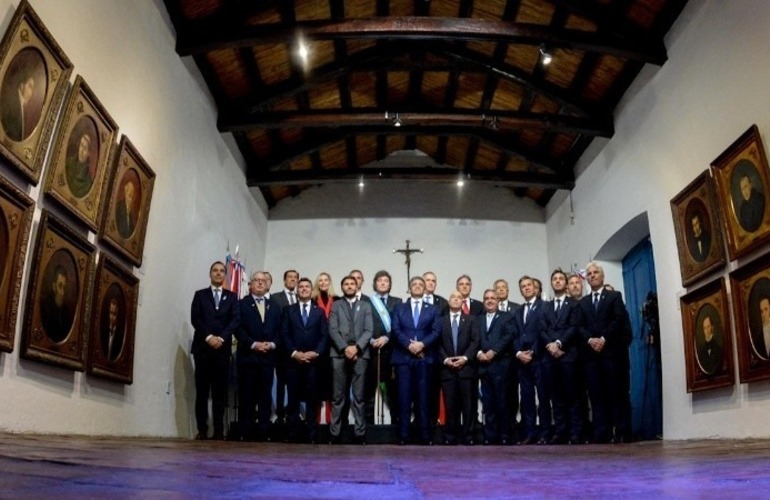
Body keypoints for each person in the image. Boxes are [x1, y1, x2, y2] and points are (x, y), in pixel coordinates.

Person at [576, 262, 631, 444]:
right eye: (589, 273)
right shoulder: (583, 303)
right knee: (597, 395)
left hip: (611, 355)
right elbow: (579, 326)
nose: (592, 276)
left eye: (595, 273)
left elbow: (618, 320)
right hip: (591, 358)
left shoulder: (614, 296)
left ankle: (621, 431)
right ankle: (601, 432)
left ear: (602, 275)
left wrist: (603, 339)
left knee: (616, 394)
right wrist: (590, 340)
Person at [190, 261, 239, 440]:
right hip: (203, 349)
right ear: (210, 274)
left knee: (220, 392)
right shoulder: (200, 295)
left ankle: (218, 430)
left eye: (221, 271)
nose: (218, 273)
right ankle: (202, 429)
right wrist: (209, 337)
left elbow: (235, 320)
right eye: (215, 271)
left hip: (222, 350)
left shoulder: (232, 297)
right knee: (202, 391)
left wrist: (222, 338)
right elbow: (195, 319)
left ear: (225, 275)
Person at [392, 276, 442, 445]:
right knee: (404, 398)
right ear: (409, 288)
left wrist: (422, 345)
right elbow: (395, 329)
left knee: (424, 398)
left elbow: (436, 331)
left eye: (421, 284)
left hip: (425, 358)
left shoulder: (433, 309)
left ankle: (425, 436)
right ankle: (404, 436)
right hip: (404, 359)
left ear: (425, 288)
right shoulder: (399, 307)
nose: (418, 287)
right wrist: (409, 345)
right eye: (414, 284)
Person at [234, 271, 282, 441]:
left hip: (267, 358)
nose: (260, 283)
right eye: (257, 280)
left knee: (264, 397)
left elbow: (280, 331)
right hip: (248, 357)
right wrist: (254, 344)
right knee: (246, 396)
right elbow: (238, 328)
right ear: (250, 285)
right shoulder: (240, 304)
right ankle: (245, 433)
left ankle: (263, 433)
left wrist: (272, 344)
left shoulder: (274, 306)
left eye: (263, 281)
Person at [280, 277, 328, 443]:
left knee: (312, 401)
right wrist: (294, 353)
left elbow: (324, 336)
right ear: (297, 290)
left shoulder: (319, 312)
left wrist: (315, 353)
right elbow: (284, 334)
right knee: (292, 400)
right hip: (293, 362)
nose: (304, 289)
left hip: (313, 363)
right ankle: (292, 434)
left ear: (311, 290)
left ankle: (311, 435)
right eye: (301, 287)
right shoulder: (288, 310)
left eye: (307, 286)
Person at [328, 275, 373, 444]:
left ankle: (360, 434)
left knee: (359, 397)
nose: (349, 286)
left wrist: (357, 348)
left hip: (360, 354)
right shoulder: (336, 305)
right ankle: (335, 434)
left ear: (357, 286)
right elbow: (332, 329)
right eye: (346, 284)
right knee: (338, 396)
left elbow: (369, 330)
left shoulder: (366, 305)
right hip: (339, 354)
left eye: (352, 283)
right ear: (342, 287)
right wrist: (345, 348)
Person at [540, 269, 583, 444]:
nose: (557, 281)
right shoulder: (546, 306)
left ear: (565, 283)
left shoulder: (574, 304)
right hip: (550, 357)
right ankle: (560, 432)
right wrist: (551, 345)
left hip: (568, 355)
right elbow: (542, 329)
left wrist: (558, 343)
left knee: (572, 396)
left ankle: (575, 433)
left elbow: (573, 327)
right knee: (556, 397)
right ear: (551, 283)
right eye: (554, 279)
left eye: (560, 279)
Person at [511, 276, 550, 445]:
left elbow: (544, 331)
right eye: (523, 286)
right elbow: (514, 335)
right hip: (522, 361)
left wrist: (532, 351)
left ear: (535, 288)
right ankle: (529, 433)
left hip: (539, 359)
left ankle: (545, 433)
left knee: (543, 398)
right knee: (526, 399)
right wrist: (519, 353)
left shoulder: (545, 307)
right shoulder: (517, 311)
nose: (526, 288)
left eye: (529, 285)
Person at [439, 290, 479, 445]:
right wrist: (445, 359)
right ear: (449, 301)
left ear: (463, 302)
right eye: (452, 297)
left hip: (466, 369)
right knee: (450, 405)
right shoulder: (441, 321)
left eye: (458, 298)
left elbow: (475, 341)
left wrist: (465, 358)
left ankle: (468, 436)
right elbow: (438, 344)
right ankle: (450, 436)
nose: (455, 299)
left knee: (468, 405)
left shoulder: (471, 320)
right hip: (447, 369)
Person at [475, 288, 514, 445]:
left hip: (500, 366)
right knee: (488, 403)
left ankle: (504, 435)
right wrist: (479, 353)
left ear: (498, 301)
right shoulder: (478, 319)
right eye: (487, 298)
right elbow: (475, 339)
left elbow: (508, 336)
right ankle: (489, 436)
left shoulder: (506, 317)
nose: (490, 300)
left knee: (502, 402)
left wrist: (494, 352)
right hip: (484, 366)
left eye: (493, 298)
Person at [363, 270, 401, 425]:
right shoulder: (367, 302)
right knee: (369, 390)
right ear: (375, 283)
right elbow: (363, 324)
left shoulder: (398, 302)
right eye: (380, 280)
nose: (383, 283)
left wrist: (387, 338)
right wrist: (371, 340)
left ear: (390, 284)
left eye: (386, 280)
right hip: (372, 352)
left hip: (391, 352)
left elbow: (400, 326)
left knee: (393, 391)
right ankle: (369, 425)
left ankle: (395, 425)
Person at [271, 269, 299, 426]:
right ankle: (280, 414)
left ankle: (293, 414)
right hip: (282, 349)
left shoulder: (301, 298)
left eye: (295, 278)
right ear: (284, 280)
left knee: (296, 383)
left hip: (298, 348)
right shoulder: (276, 298)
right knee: (281, 383)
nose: (292, 280)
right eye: (290, 277)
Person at [40, 264, 74, 343]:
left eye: (64, 287)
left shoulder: (66, 312)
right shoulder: (45, 307)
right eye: (60, 286)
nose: (62, 292)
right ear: (54, 286)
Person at [1, 65, 35, 142]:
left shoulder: (21, 105)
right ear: (22, 85)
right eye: (29, 86)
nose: (31, 93)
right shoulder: (11, 103)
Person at [65, 133, 95, 198]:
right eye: (81, 145)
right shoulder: (69, 163)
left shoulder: (88, 183)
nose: (81, 151)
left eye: (85, 148)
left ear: (88, 153)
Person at [101, 297, 125, 362]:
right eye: (110, 313)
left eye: (114, 314)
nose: (111, 317)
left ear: (118, 315)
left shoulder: (120, 336)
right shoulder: (103, 332)